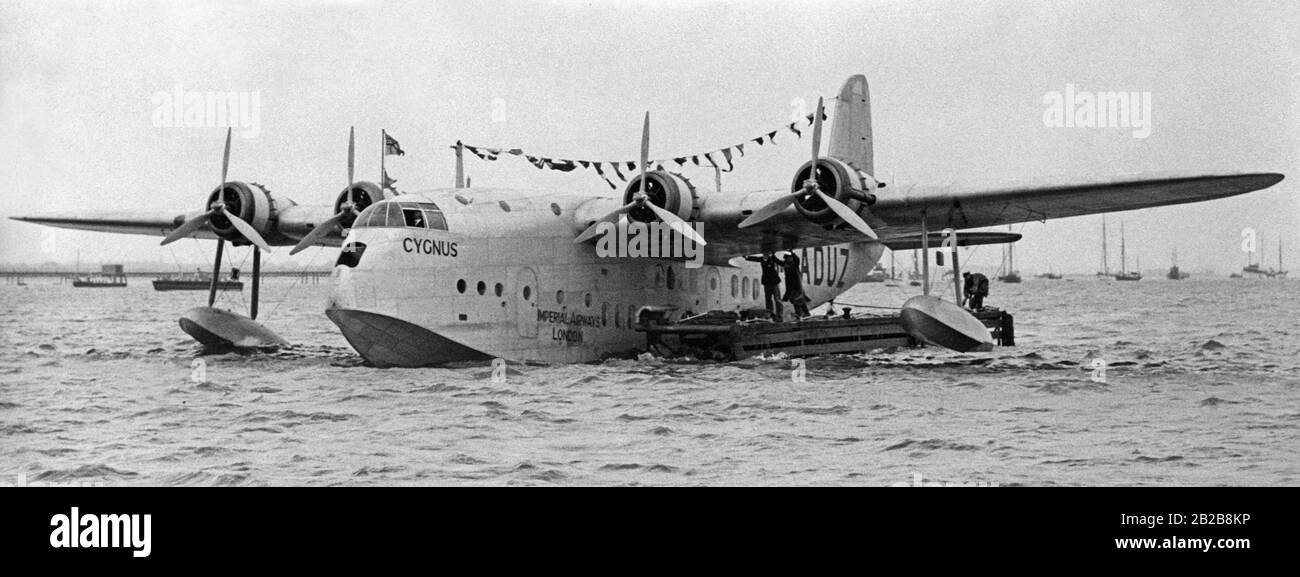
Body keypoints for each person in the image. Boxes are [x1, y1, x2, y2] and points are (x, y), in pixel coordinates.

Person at [744, 252, 783, 319]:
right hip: (767, 283)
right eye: (764, 254)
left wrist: (772, 254)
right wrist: (746, 257)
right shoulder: (762, 259)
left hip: (774, 282)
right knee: (768, 300)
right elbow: (755, 259)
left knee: (777, 299)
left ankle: (779, 315)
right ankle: (770, 315)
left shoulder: (772, 259)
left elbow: (777, 260)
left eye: (766, 254)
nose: (764, 256)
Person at [781, 252, 811, 318]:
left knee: (797, 300)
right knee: (799, 300)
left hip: (796, 286)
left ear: (790, 258)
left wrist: (793, 253)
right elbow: (778, 262)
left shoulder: (795, 264)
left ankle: (801, 314)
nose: (786, 259)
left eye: (787, 258)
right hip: (791, 286)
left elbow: (797, 260)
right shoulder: (786, 264)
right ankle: (805, 313)